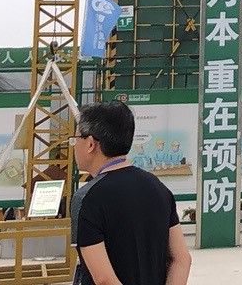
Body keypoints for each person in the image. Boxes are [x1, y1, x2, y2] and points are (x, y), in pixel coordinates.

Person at [70, 101, 189, 285]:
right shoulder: (159, 189)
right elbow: (182, 259)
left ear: (91, 144)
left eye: (75, 139)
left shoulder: (87, 198)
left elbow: (104, 279)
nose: (73, 145)